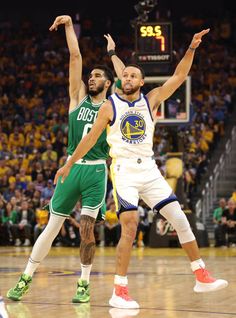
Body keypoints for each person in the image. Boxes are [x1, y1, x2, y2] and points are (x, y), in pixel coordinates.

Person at [54, 28, 228, 309]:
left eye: (133, 75)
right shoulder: (110, 106)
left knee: (180, 219)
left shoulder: (152, 99)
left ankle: (201, 275)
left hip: (149, 169)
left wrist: (192, 48)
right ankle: (119, 290)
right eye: (125, 75)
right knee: (130, 226)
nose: (128, 78)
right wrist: (69, 162)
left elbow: (179, 76)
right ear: (120, 80)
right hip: (123, 170)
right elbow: (87, 139)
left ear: (142, 82)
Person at [7, 15, 124, 303]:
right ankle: (25, 278)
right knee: (52, 226)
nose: (92, 78)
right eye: (91, 75)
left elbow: (128, 80)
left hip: (96, 171)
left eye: (98, 76)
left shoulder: (112, 106)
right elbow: (74, 56)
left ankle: (83, 283)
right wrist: (69, 26)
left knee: (86, 229)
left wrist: (112, 54)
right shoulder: (77, 98)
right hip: (71, 168)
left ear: (108, 83)